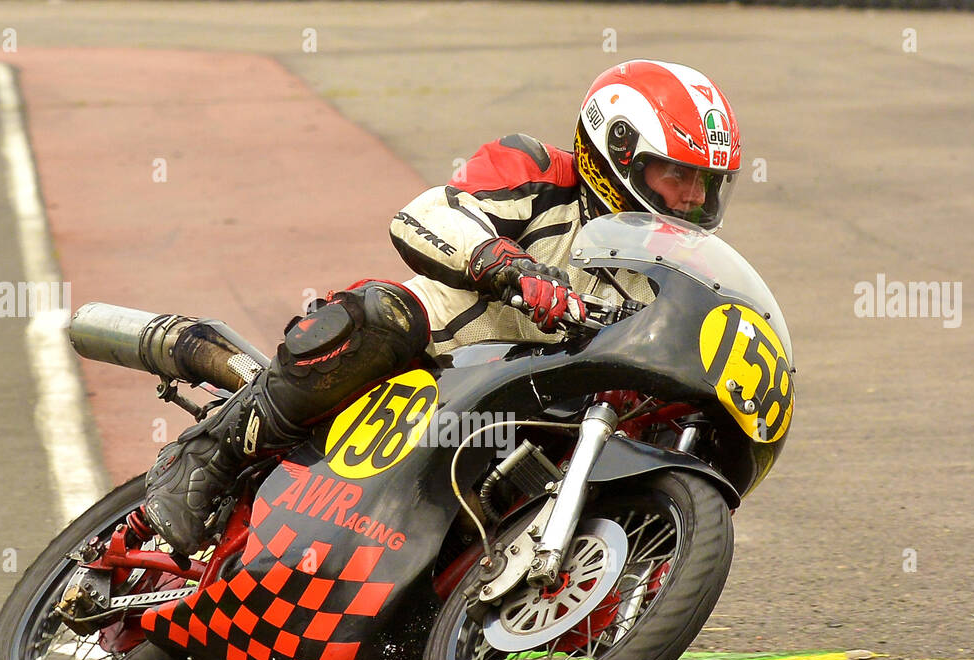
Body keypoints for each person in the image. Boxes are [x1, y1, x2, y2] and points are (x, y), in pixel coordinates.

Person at [144, 59, 742, 556]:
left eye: (707, 182)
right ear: (617, 149)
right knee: (374, 314)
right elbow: (424, 216)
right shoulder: (535, 169)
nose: (693, 196)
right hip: (440, 357)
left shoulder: (677, 266)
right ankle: (208, 455)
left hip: (538, 408)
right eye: (677, 174)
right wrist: (510, 266)